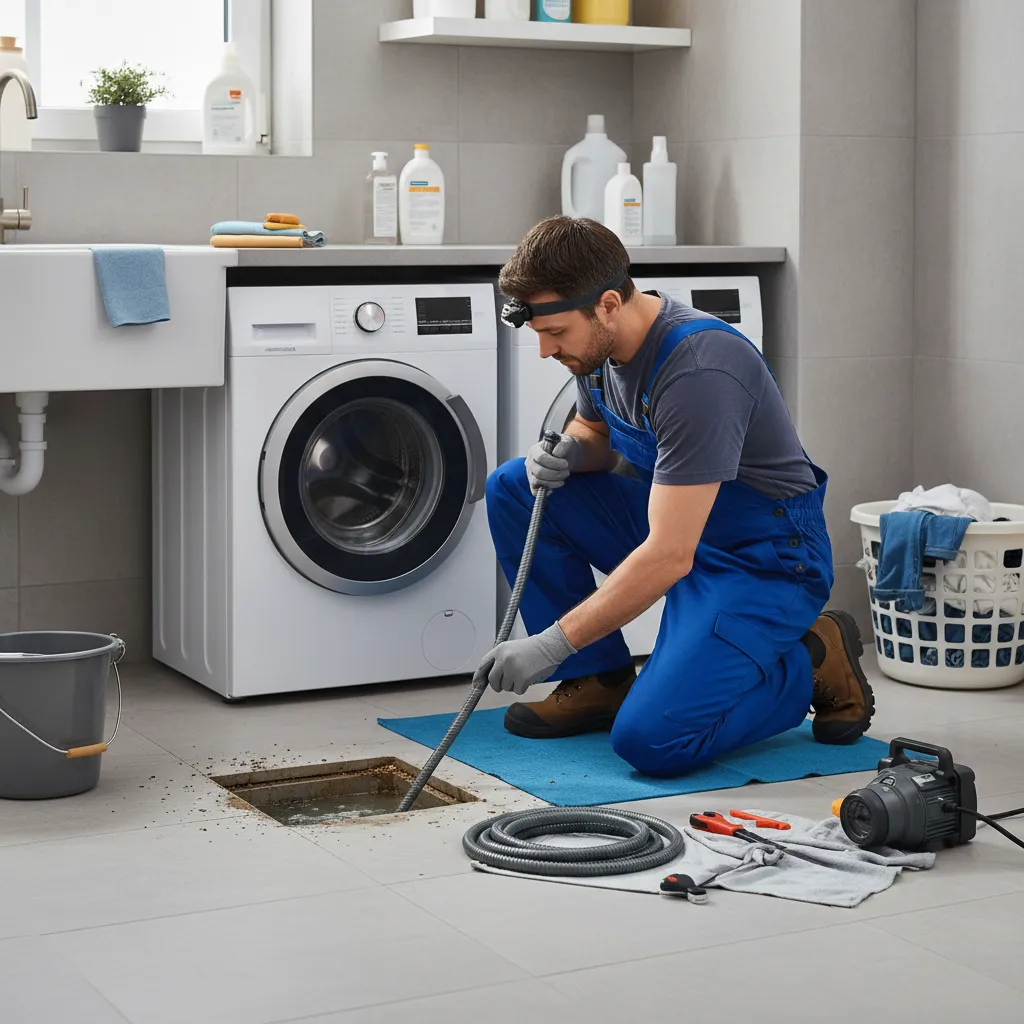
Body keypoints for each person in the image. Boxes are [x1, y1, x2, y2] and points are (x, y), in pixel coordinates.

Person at [478, 216, 874, 778]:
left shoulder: (699, 369)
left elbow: (668, 556)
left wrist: (549, 645)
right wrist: (570, 450)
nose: (545, 350)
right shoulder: (599, 350)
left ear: (609, 303)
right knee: (515, 486)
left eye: (556, 332)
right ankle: (601, 680)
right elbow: (597, 433)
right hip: (682, 527)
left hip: (761, 557)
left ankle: (812, 657)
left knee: (652, 743)